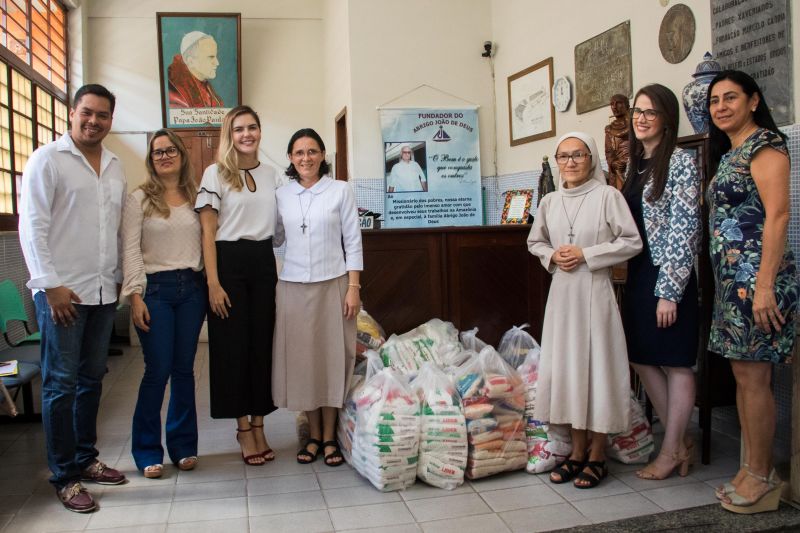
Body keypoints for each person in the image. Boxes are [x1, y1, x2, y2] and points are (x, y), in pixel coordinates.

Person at [18, 84, 127, 512]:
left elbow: (114, 229)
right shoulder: (48, 160)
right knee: (60, 385)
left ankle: (86, 459)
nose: (93, 121)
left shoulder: (116, 165)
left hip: (101, 292)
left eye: (102, 115)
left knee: (91, 379)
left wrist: (117, 278)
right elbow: (32, 227)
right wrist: (49, 283)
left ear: (110, 120)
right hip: (62, 294)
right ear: (72, 112)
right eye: (87, 113)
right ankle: (64, 475)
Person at [527, 131, 642, 489]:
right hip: (562, 295)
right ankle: (575, 453)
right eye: (563, 156)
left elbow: (631, 241)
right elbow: (535, 240)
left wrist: (587, 254)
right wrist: (552, 255)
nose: (571, 162)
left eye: (578, 155)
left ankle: (596, 455)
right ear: (557, 161)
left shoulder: (608, 196)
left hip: (595, 291)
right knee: (569, 372)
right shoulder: (549, 201)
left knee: (597, 372)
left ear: (591, 159)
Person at [705, 70, 797, 514]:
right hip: (733, 285)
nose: (721, 106)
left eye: (731, 98)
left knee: (756, 379)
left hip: (759, 283)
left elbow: (778, 216)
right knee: (744, 377)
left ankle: (762, 476)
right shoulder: (731, 151)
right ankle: (751, 467)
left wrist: (763, 288)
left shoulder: (766, 147)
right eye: (715, 100)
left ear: (753, 101)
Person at [195, 105, 283, 466]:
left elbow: (282, 229)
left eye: (252, 127)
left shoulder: (273, 175)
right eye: (239, 129)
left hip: (263, 263)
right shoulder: (215, 174)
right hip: (227, 264)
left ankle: (261, 422)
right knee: (233, 348)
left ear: (260, 131)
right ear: (229, 135)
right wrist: (213, 283)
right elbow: (208, 231)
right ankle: (243, 428)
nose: (247, 134)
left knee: (263, 345)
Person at [621, 84, 701, 480]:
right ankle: (678, 441)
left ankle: (670, 451)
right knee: (640, 354)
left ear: (667, 119)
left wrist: (669, 291)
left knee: (676, 362)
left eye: (650, 112)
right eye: (638, 110)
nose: (641, 117)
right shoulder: (634, 165)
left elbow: (684, 229)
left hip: (669, 272)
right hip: (637, 274)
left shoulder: (682, 162)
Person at [272, 128, 363, 467]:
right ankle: (313, 435)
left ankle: (330, 437)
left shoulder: (340, 190)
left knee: (331, 359)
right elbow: (275, 237)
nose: (306, 158)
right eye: (299, 152)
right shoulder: (282, 195)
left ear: (323, 155)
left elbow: (353, 241)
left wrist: (353, 287)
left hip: (334, 285)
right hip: (292, 287)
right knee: (304, 363)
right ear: (291, 159)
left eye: (312, 151)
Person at [121, 129, 206, 479]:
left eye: (171, 150)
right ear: (151, 159)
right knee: (157, 371)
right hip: (155, 290)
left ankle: (184, 447)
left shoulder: (197, 195)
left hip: (192, 289)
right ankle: (146, 450)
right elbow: (129, 249)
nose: (165, 156)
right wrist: (136, 295)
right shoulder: (139, 198)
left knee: (184, 371)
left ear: (182, 156)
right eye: (158, 152)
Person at [168, 31, 224, 108]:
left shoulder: (206, 86)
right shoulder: (176, 92)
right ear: (191, 61)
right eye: (211, 57)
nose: (217, 63)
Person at [605, 94, 631, 190]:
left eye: (618, 103)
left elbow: (642, 148)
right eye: (612, 104)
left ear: (627, 105)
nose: (614, 107)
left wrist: (627, 162)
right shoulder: (609, 130)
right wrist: (613, 163)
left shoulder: (636, 124)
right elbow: (609, 153)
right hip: (618, 172)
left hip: (635, 169)